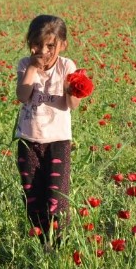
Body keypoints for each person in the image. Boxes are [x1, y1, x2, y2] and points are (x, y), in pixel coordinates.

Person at [14, 14, 84, 247]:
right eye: (37, 44)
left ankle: (59, 243)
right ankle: (41, 242)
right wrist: (33, 69)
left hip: (58, 142)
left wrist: (73, 88)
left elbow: (72, 105)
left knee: (56, 197)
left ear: (62, 45)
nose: (43, 50)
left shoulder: (67, 66)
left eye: (50, 45)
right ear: (29, 42)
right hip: (28, 140)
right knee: (33, 195)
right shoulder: (25, 65)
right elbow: (23, 96)